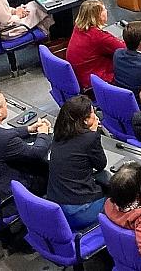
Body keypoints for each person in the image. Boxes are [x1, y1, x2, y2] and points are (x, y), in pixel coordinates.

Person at [48, 95, 107, 229]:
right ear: (85, 120)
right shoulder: (90, 138)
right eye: (93, 112)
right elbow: (101, 164)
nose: (96, 115)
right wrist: (94, 132)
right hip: (80, 211)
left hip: (57, 208)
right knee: (120, 199)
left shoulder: (58, 134)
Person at [66, 0, 126, 90]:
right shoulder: (98, 37)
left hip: (82, 75)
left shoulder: (78, 27)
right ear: (97, 16)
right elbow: (126, 48)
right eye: (104, 9)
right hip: (96, 82)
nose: (106, 11)